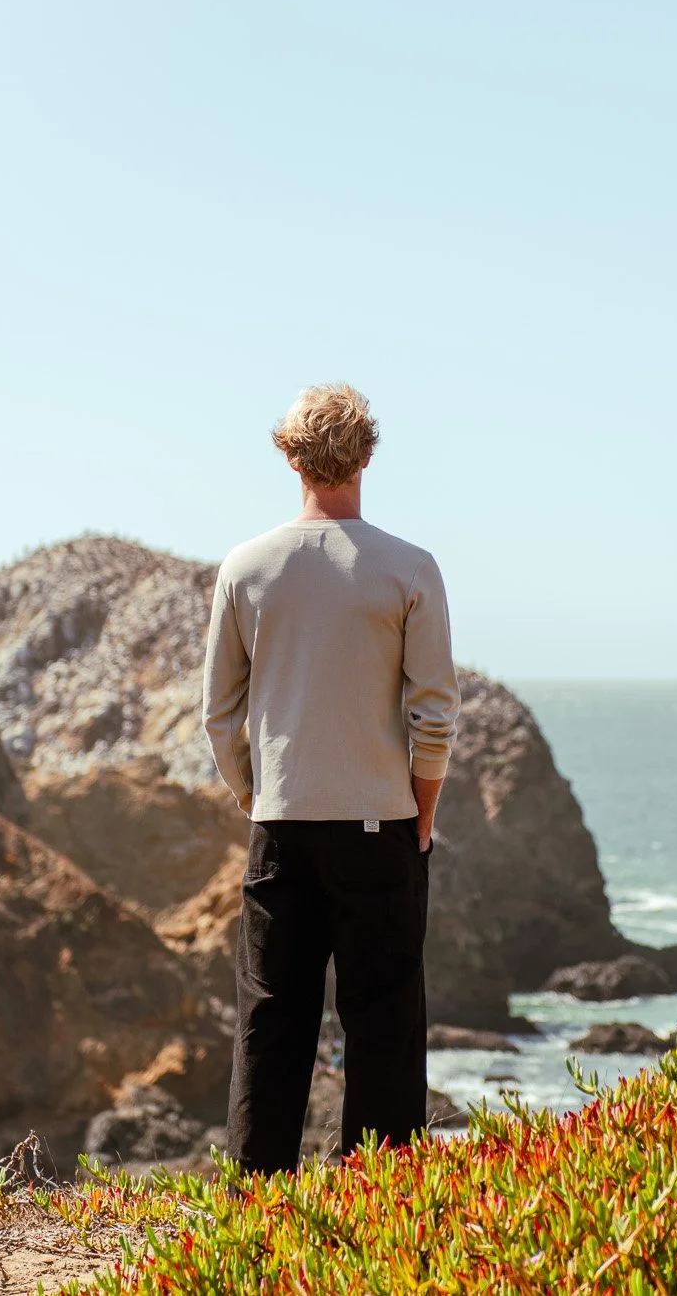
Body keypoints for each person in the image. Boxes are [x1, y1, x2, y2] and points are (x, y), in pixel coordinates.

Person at [202, 384, 461, 1175]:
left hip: (282, 827)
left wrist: (262, 797)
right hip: (381, 827)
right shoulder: (409, 569)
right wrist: (419, 815)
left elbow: (219, 715)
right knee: (381, 1025)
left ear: (289, 455)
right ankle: (378, 1209)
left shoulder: (245, 568)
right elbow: (435, 714)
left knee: (271, 1024)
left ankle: (257, 1213)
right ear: (369, 454)